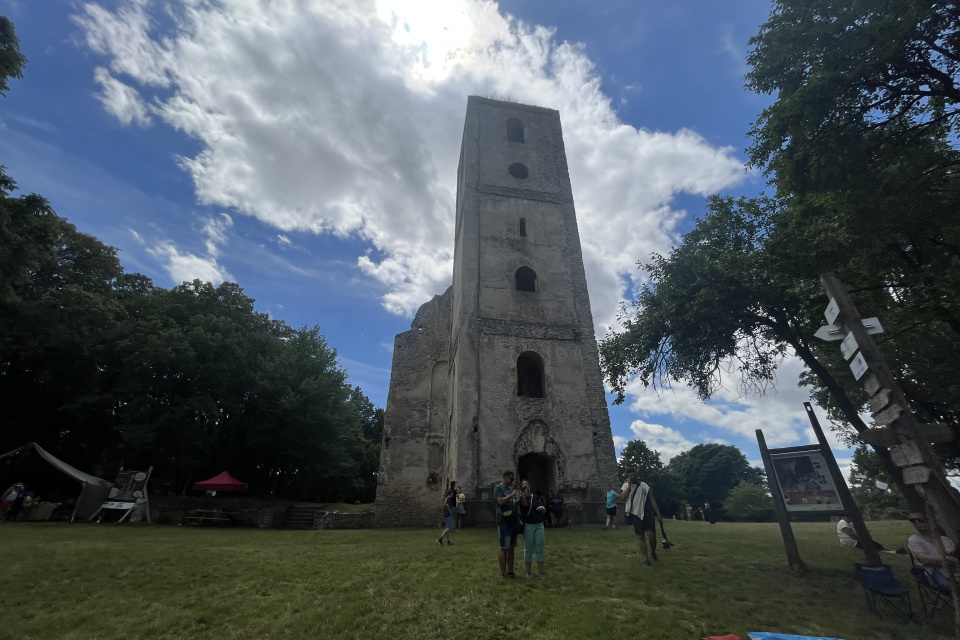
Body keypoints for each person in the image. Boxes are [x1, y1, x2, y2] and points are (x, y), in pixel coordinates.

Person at [618, 469, 663, 566]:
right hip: (635, 514)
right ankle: (646, 559)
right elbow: (623, 498)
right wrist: (629, 487)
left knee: (652, 535)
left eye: (634, 475)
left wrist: (658, 514)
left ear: (636, 475)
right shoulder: (625, 486)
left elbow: (652, 500)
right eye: (631, 475)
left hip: (647, 513)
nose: (633, 476)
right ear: (628, 476)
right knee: (641, 537)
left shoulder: (644, 485)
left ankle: (653, 552)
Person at [908, 512, 956, 591]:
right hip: (933, 572)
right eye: (913, 521)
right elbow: (922, 558)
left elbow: (950, 552)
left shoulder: (943, 538)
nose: (917, 524)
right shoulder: (914, 539)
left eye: (922, 520)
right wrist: (943, 559)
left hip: (951, 569)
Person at [494, 470, 522, 578]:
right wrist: (512, 495)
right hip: (504, 522)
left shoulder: (510, 489)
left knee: (511, 547)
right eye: (511, 478)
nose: (512, 481)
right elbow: (500, 502)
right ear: (505, 477)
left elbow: (513, 503)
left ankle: (510, 571)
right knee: (504, 547)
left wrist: (519, 497)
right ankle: (503, 573)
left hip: (513, 521)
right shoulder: (498, 488)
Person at [519, 482, 547, 578]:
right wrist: (523, 495)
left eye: (527, 485)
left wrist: (542, 508)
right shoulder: (522, 498)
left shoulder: (536, 497)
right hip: (529, 526)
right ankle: (528, 572)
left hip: (539, 525)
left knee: (539, 549)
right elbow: (524, 505)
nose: (526, 487)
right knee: (528, 549)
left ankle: (541, 572)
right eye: (524, 486)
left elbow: (544, 510)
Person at [836, 513, 901, 553]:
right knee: (871, 547)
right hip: (851, 542)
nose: (850, 518)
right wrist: (863, 537)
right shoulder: (843, 523)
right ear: (843, 516)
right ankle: (892, 552)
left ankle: (889, 550)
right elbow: (852, 535)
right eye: (848, 517)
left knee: (873, 543)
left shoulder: (848, 522)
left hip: (856, 540)